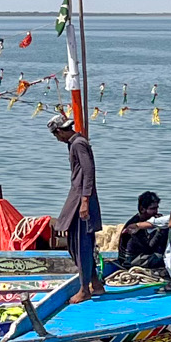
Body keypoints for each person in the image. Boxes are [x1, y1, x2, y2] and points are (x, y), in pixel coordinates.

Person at [48, 113, 101, 299]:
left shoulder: (78, 144)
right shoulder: (75, 143)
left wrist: (85, 201)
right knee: (75, 242)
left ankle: (85, 289)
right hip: (76, 197)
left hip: (81, 199)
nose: (57, 139)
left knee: (81, 244)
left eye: (56, 135)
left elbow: (88, 171)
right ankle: (95, 283)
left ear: (61, 131)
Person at [115, 190, 166, 270]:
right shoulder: (135, 225)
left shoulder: (146, 222)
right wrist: (160, 230)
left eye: (157, 208)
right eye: (152, 209)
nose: (156, 212)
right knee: (166, 259)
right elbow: (148, 249)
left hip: (141, 256)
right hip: (130, 260)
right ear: (142, 209)